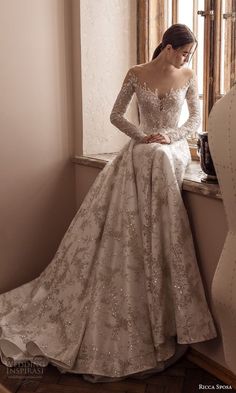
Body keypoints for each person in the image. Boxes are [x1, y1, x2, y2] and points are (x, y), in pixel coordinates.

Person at [0, 24, 217, 383]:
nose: (186, 59)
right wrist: (142, 135)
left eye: (189, 55)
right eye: (182, 52)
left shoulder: (189, 74)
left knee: (159, 159)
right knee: (147, 157)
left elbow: (195, 118)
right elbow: (116, 115)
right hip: (143, 145)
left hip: (172, 149)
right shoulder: (136, 73)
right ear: (166, 47)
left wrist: (171, 135)